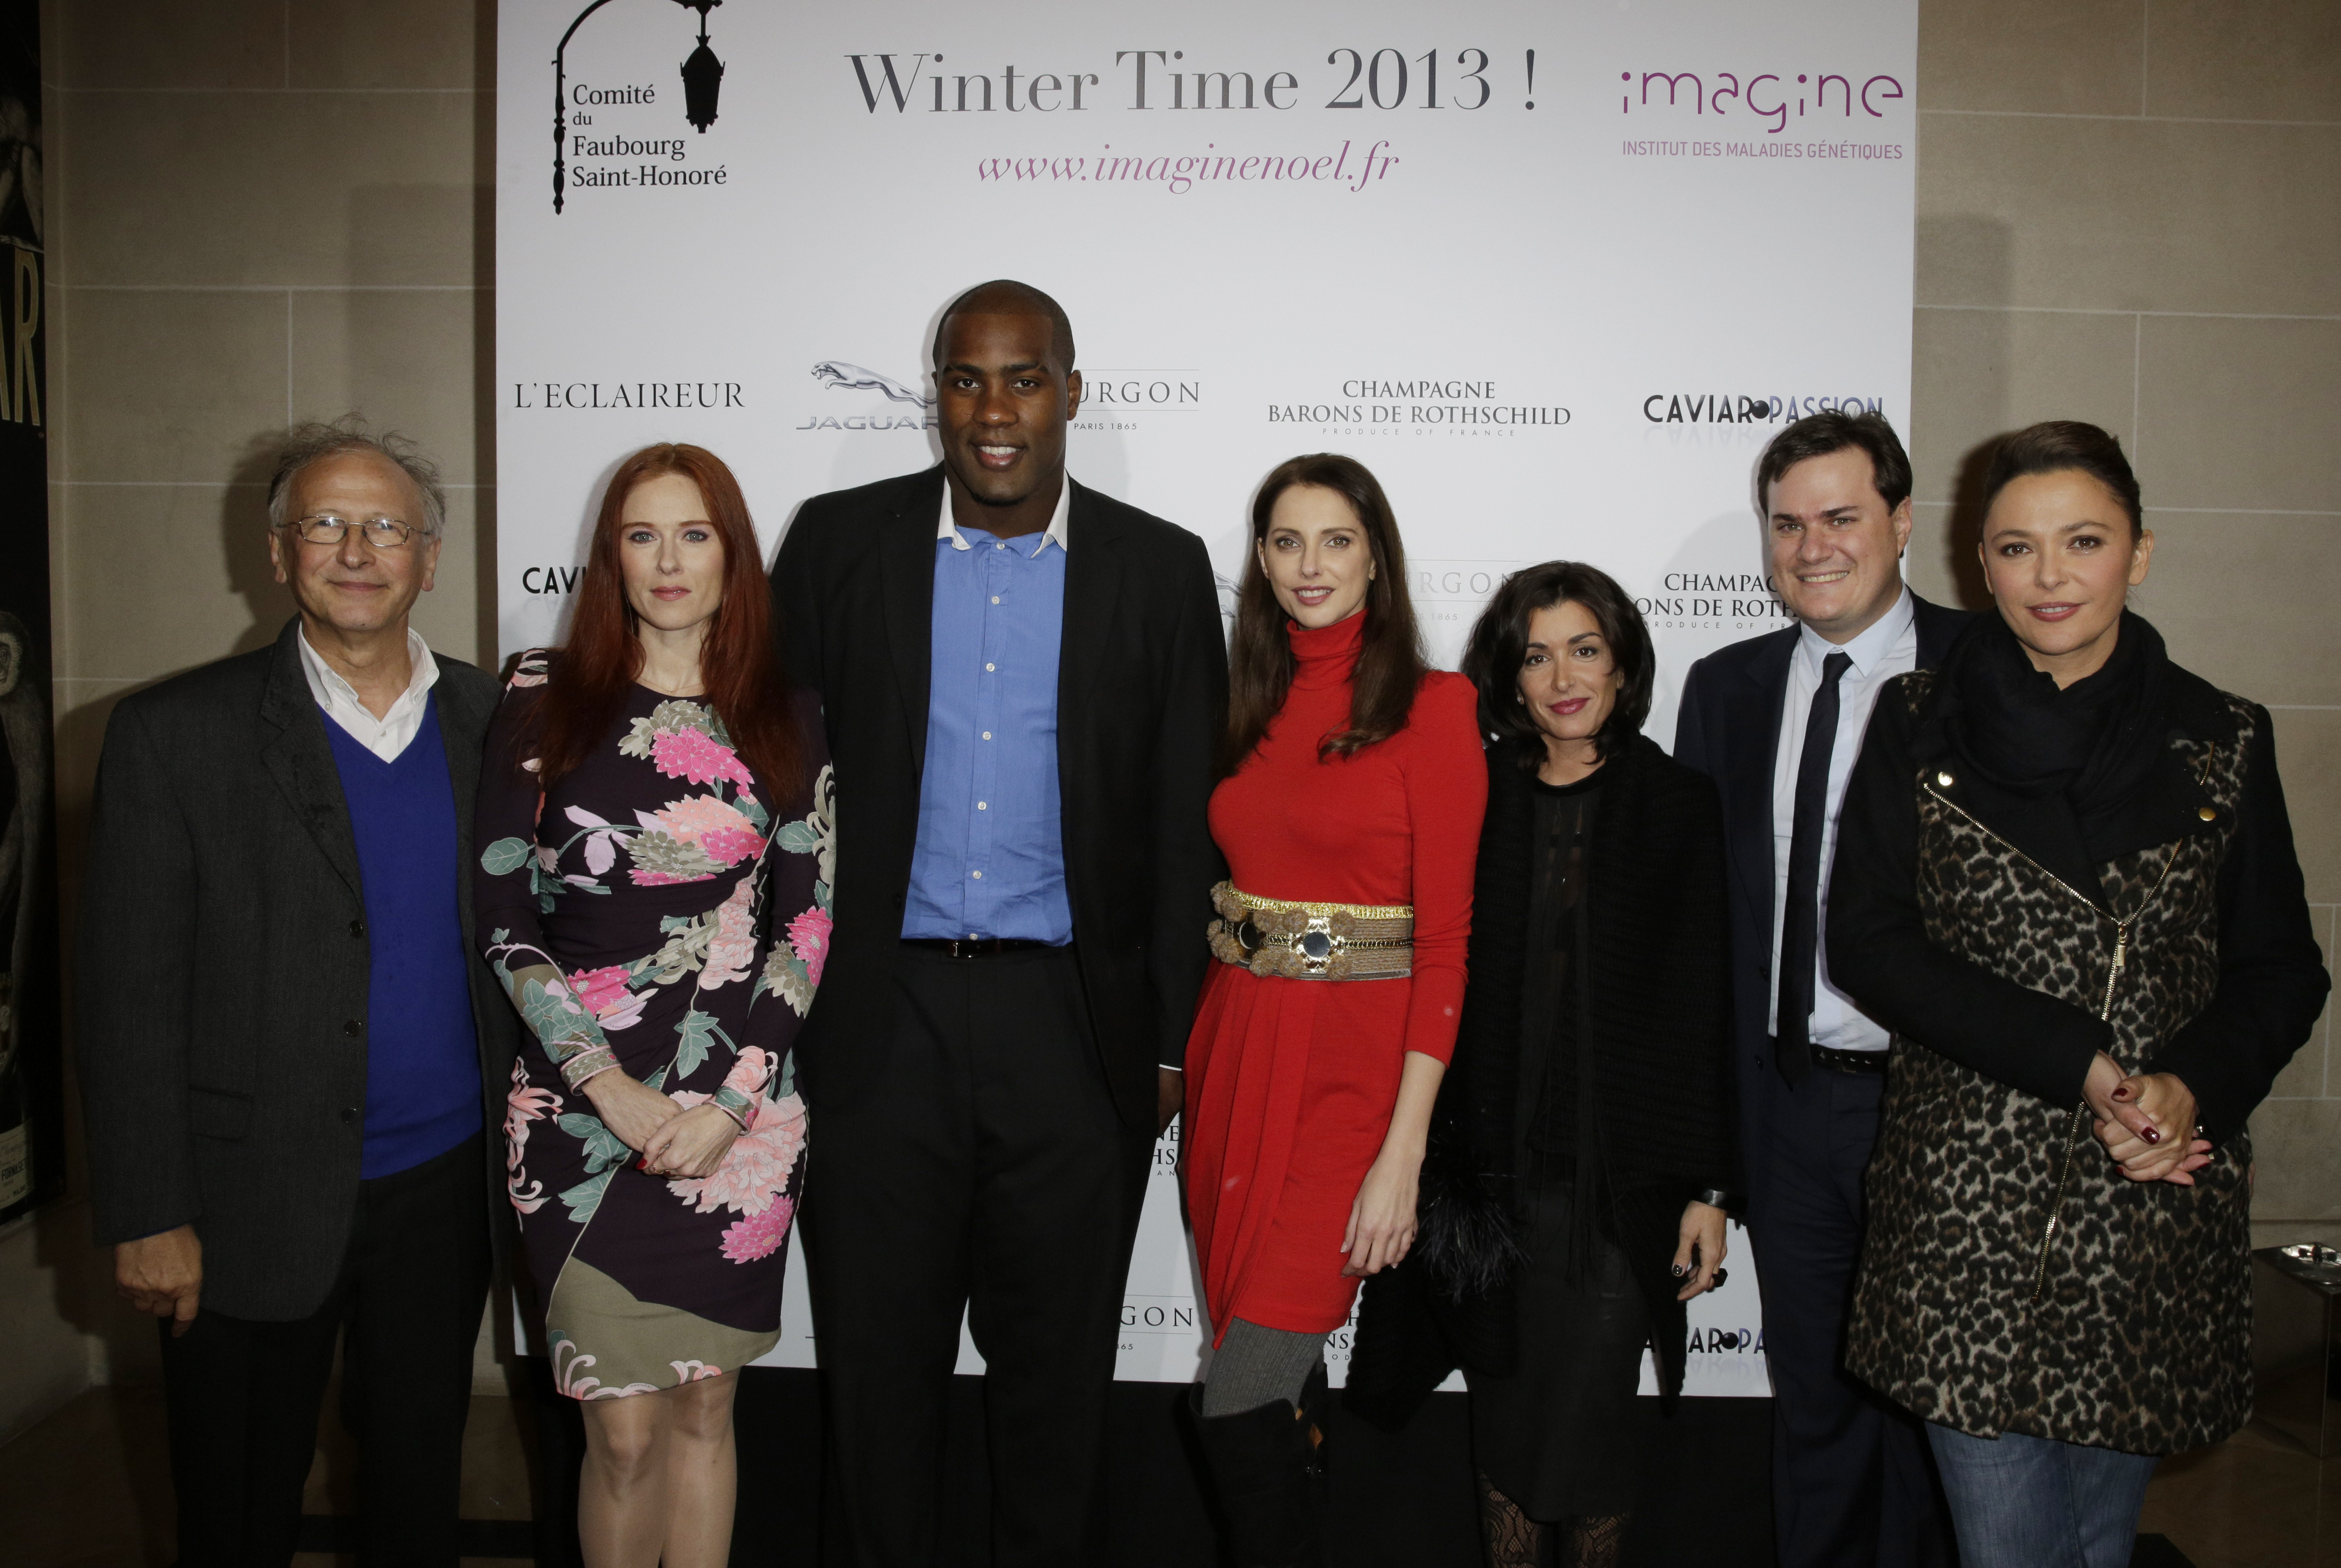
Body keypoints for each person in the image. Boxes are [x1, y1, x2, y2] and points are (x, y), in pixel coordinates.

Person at [769, 279, 1226, 1568]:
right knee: (876, 1381)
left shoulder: (1159, 567)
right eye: (966, 379)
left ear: (1071, 392)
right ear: (937, 395)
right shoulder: (838, 543)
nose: (993, 411)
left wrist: (1168, 1048)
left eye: (1023, 379)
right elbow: (771, 787)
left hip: (1073, 1035)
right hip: (879, 1026)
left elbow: (1185, 825)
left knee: (1056, 1390)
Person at [1828, 421, 2328, 1567]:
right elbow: (1870, 943)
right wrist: (2082, 1064)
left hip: (2146, 1202)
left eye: (2084, 541)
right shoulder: (1917, 722)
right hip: (1966, 1213)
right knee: (2010, 1548)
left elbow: (2280, 966)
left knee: (2100, 1545)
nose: (2049, 576)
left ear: (2139, 552)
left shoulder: (2223, 738)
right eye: (2017, 548)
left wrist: (2191, 1085)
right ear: (1980, 564)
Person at [77, 419, 518, 1565]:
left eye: (387, 528)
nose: (356, 550)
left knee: (417, 1495)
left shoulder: (499, 725)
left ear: (429, 558)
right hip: (242, 1199)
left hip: (443, 1192)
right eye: (325, 523)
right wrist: (147, 1211)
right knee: (235, 1509)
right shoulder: (173, 735)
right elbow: (126, 994)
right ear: (278, 553)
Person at [475, 443, 827, 1568]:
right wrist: (604, 1085)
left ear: (733, 555)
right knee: (620, 1432)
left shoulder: (788, 712)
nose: (668, 561)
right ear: (611, 556)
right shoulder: (540, 693)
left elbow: (805, 927)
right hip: (577, 1112)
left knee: (708, 1406)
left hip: (741, 1114)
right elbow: (503, 910)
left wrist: (732, 1103)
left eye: (694, 534)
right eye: (642, 535)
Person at [1346, 561, 1734, 1568]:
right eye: (1537, 655)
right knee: (1508, 1426)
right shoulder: (1479, 795)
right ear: (1509, 678)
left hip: (1621, 1188)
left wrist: (1711, 1189)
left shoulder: (1678, 803)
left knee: (1593, 1430)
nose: (1563, 678)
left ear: (1623, 665)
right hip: (1495, 1188)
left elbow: (1706, 1007)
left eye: (1586, 650)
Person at [1670, 410, 1966, 1568]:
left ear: (1903, 520)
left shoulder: (1988, 673)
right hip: (1790, 1111)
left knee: (1944, 1427)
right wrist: (1712, 1158)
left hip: (1946, 1109)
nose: (1812, 547)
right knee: (1818, 1414)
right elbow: (1705, 935)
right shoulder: (1726, 689)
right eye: (1787, 524)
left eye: (1841, 517)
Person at [1180, 454, 1487, 1568]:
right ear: (1261, 561)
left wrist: (1403, 1151)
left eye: (1337, 540)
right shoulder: (1244, 701)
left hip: (1354, 1085)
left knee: (1241, 1393)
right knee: (1274, 1387)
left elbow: (1446, 946)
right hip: (1235, 1054)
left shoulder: (1436, 708)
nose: (1310, 565)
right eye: (1286, 541)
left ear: (1376, 558)